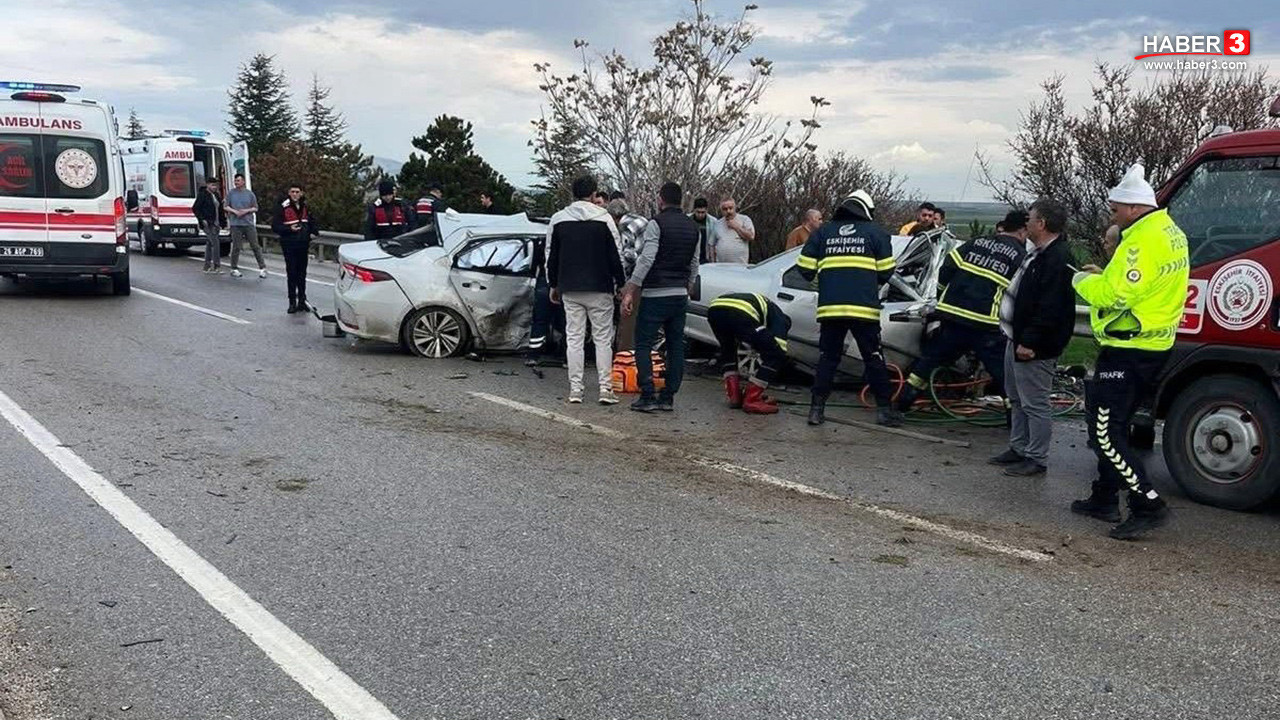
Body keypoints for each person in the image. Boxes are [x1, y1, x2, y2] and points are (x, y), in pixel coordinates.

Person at [1071, 163, 1188, 540]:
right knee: (1114, 422)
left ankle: (1147, 503)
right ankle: (1104, 497)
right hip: (1153, 344)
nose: (1113, 213)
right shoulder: (1170, 232)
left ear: (1135, 208)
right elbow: (1138, 285)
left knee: (1105, 431)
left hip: (1129, 349)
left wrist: (1082, 281)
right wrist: (1104, 275)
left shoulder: (1140, 242)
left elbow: (1116, 293)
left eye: (1116, 207)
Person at [896, 210, 1027, 418]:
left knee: (929, 361)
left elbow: (947, 267)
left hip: (951, 315)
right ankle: (1015, 420)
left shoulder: (976, 242)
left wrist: (941, 295)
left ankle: (902, 404)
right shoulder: (1020, 256)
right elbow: (1019, 295)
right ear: (1023, 230)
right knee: (1002, 373)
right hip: (985, 323)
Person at [798, 190, 903, 428]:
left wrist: (828, 278)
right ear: (867, 209)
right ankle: (885, 412)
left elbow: (804, 268)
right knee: (873, 358)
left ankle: (816, 411)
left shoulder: (823, 232)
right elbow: (887, 272)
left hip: (830, 309)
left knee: (827, 358)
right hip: (863, 309)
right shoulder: (876, 233)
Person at [988, 202, 1076, 477]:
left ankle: (1036, 457)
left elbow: (1050, 307)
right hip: (1015, 337)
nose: (1027, 222)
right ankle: (1018, 447)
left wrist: (1031, 341)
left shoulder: (1057, 258)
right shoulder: (1038, 254)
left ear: (1043, 223)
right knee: (1016, 397)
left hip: (1034, 344)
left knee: (1034, 402)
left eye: (1032, 218)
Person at [547, 175, 626, 405]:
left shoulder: (558, 219)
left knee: (574, 338)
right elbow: (616, 255)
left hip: (570, 287)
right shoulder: (604, 219)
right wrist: (620, 284)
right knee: (602, 339)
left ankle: (576, 390)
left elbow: (551, 255)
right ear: (593, 195)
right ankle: (605, 389)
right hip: (600, 287)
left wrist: (553, 284)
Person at [622, 181, 700, 413]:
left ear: (660, 199)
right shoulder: (692, 227)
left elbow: (647, 258)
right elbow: (694, 262)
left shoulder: (656, 224)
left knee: (644, 342)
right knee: (676, 345)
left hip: (656, 293)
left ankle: (647, 394)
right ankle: (668, 396)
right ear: (681, 201)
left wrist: (631, 288)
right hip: (679, 295)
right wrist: (688, 285)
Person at [708, 292, 792, 414]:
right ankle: (751, 400)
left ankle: (734, 397)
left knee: (728, 350)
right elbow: (779, 350)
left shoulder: (769, 311)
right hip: (740, 311)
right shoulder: (781, 321)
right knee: (776, 355)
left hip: (715, 308)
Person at [608, 198, 651, 352]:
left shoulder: (624, 226)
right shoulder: (642, 220)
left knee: (627, 321)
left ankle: (624, 359)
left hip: (635, 279)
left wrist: (621, 284)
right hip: (650, 277)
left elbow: (629, 256)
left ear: (613, 216)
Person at [272, 184, 319, 314]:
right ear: (289, 193)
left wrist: (314, 232)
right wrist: (289, 229)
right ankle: (292, 302)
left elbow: (311, 221)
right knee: (292, 273)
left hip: (303, 244)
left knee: (302, 274)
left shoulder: (305, 206)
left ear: (301, 193)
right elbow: (275, 226)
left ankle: (302, 301)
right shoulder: (283, 207)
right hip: (289, 244)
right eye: (292, 192)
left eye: (297, 192)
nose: (295, 194)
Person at [223, 173, 267, 279]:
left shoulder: (250, 194)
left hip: (248, 223)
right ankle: (234, 268)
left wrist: (245, 211)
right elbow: (226, 206)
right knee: (236, 247)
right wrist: (235, 211)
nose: (236, 182)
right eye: (235, 181)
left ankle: (263, 268)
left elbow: (255, 208)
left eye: (238, 180)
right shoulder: (231, 193)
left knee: (255, 246)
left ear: (243, 181)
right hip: (235, 224)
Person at [192, 177, 226, 274]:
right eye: (212, 185)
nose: (214, 187)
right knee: (215, 243)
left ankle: (206, 266)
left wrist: (222, 222)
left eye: (215, 185)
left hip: (216, 223)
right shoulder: (203, 195)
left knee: (209, 243)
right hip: (207, 223)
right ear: (207, 185)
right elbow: (195, 208)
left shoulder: (216, 195)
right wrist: (202, 219)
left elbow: (220, 210)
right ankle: (217, 266)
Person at [708, 198, 754, 264]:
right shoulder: (717, 224)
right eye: (725, 209)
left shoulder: (744, 219)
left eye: (730, 208)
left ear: (735, 208)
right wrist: (713, 262)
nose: (728, 211)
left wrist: (737, 227)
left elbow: (751, 236)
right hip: (721, 266)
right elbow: (711, 244)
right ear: (721, 210)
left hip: (740, 266)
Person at [689, 197, 714, 264]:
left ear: (706, 210)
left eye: (703, 212)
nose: (700, 215)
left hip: (706, 257)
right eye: (698, 212)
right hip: (690, 256)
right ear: (694, 210)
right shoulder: (687, 219)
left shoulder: (713, 221)